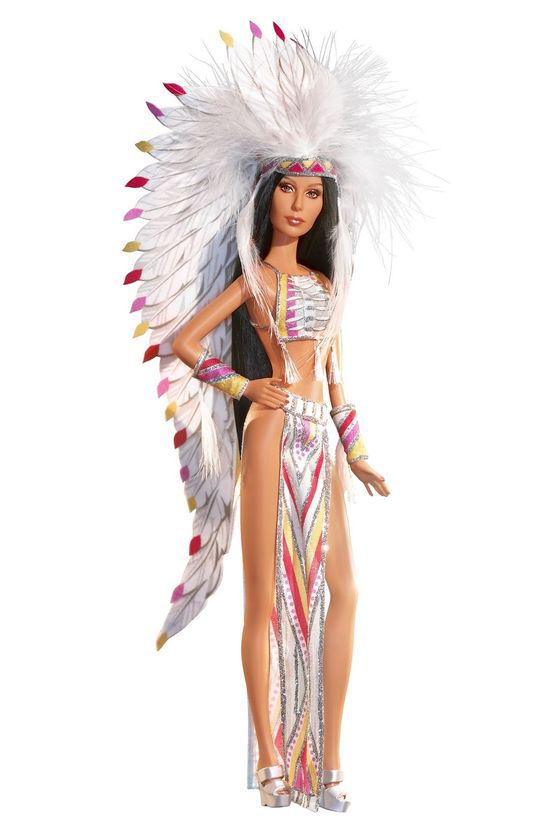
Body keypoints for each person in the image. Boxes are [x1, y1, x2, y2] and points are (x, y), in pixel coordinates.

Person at [123, 22, 434, 812]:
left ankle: (327, 760)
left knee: (343, 592)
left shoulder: (328, 287)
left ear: (326, 202)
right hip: (269, 432)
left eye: (313, 193)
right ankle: (270, 758)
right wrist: (241, 386)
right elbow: (184, 341)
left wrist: (358, 453)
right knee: (264, 595)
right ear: (267, 196)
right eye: (290, 190)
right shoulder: (254, 280)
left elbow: (337, 379)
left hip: (320, 438)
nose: (301, 204)